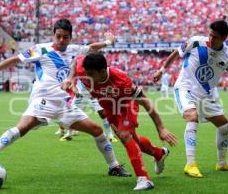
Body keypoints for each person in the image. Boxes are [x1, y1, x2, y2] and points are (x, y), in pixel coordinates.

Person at [0, 19, 130, 177]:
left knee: (97, 130)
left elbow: (92, 48)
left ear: (70, 37)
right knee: (24, 126)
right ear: (53, 34)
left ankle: (114, 167)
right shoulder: (41, 50)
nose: (61, 40)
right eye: (58, 36)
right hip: (44, 99)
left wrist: (108, 42)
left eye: (65, 37)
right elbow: (16, 59)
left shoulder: (76, 50)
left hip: (65, 105)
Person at [63, 53, 178, 191]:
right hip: (109, 107)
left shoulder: (121, 80)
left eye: (91, 74)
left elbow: (145, 101)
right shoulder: (85, 70)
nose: (87, 78)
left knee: (124, 135)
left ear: (102, 71)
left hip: (126, 105)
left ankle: (144, 179)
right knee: (131, 142)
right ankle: (159, 153)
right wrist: (70, 78)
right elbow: (77, 60)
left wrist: (161, 128)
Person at [153, 20, 228, 178]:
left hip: (206, 94)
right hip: (185, 88)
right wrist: (162, 70)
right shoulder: (196, 41)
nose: (211, 38)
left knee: (224, 125)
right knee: (192, 116)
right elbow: (177, 52)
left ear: (224, 38)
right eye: (210, 34)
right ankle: (190, 164)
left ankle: (222, 163)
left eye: (215, 37)